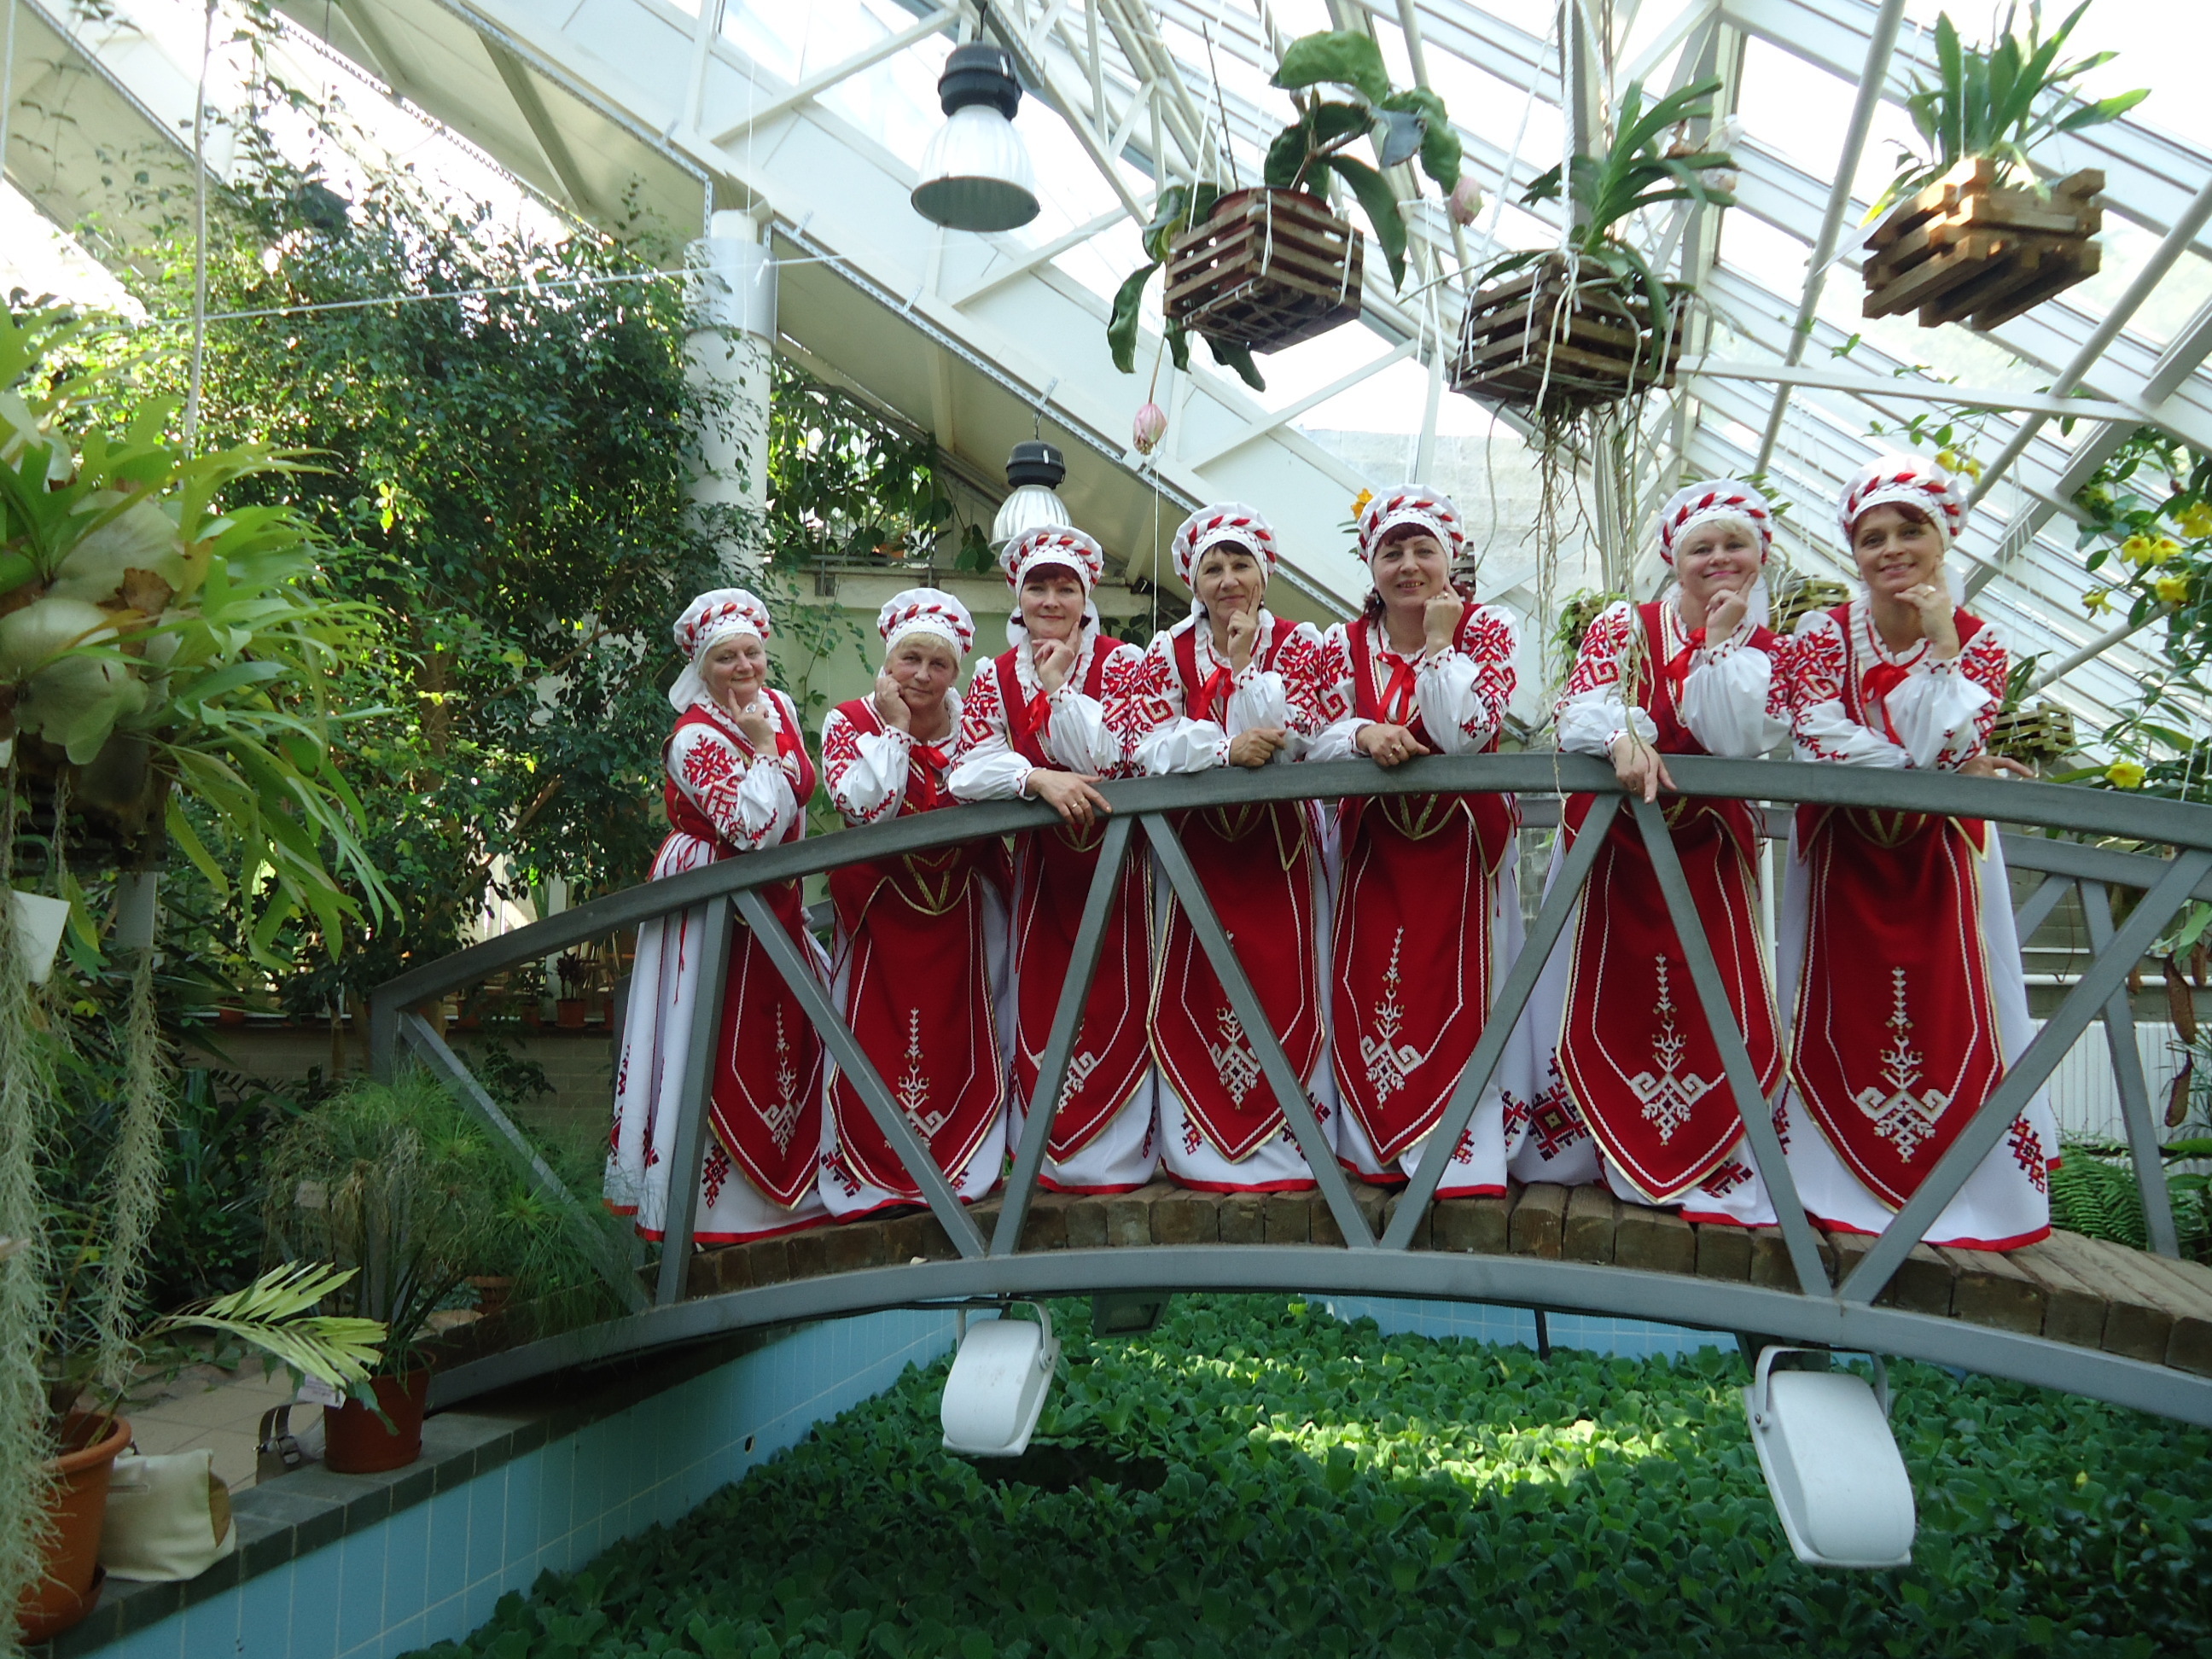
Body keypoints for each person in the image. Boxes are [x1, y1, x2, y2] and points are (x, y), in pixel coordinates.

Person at [1778, 454, 2055, 1250]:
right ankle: (1827, 1185)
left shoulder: (1979, 641)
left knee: (1959, 1007)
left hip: (1944, 862)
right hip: (1841, 859)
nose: (1892, 549)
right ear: (1854, 553)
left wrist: (1940, 647)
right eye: (1873, 538)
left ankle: (1972, 1197)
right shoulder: (1819, 635)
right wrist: (1927, 763)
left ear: (1943, 539)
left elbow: (1957, 741)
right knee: (1836, 1008)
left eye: (1910, 531)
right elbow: (1816, 736)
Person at [1510, 480, 1792, 1225]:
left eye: (1735, 545)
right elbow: (1577, 709)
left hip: (1708, 856)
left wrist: (1722, 642)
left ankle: (1714, 1157)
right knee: (1606, 994)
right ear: (1674, 559)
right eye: (1702, 547)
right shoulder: (1625, 625)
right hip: (1616, 853)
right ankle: (1594, 1148)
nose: (1719, 559)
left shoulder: (1769, 651)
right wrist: (1622, 735)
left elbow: (1737, 738)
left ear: (1760, 558)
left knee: (1713, 998)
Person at [1110, 504, 1336, 1190]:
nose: (1229, 579)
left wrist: (1241, 668)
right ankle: (1202, 1151)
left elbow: (1299, 734)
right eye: (1214, 567)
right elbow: (1142, 746)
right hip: (1196, 854)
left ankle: (1295, 1146)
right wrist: (1221, 748)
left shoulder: (1300, 643)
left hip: (1282, 851)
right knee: (1201, 983)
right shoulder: (1166, 652)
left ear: (1264, 577)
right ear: (1194, 582)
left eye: (1241, 564)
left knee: (1287, 979)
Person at [1307, 486, 1523, 1196]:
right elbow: (1310, 736)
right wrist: (1364, 733)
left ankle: (1460, 1158)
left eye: (1422, 550)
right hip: (1374, 857)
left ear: (1448, 559)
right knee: (1370, 988)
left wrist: (1437, 645)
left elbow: (1466, 731)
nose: (1407, 566)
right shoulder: (1340, 645)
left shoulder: (1489, 631)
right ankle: (1373, 1148)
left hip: (1463, 856)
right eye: (1391, 552)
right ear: (1371, 566)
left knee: (1463, 993)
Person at [607, 588, 830, 1244]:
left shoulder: (778, 706)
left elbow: (800, 795)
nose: (743, 667)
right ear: (701, 667)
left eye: (751, 652)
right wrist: (762, 747)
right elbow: (751, 829)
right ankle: (711, 1214)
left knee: (790, 1032)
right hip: (711, 904)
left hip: (775, 899)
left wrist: (767, 740)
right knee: (707, 1033)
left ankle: (795, 1195)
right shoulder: (693, 738)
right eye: (725, 657)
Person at [947, 524, 1158, 1191]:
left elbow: (1113, 754)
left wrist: (1058, 686)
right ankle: (1050, 1157)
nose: (1050, 600)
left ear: (1085, 597)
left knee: (1123, 994)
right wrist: (1034, 777)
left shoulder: (1122, 662)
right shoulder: (993, 674)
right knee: (1046, 1000)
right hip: (1044, 875)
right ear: (1019, 596)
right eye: (1037, 587)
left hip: (1121, 869)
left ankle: (1125, 1159)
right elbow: (965, 771)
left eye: (1065, 587)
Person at [818, 589, 1012, 1219]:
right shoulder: (848, 722)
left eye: (939, 664)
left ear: (956, 672)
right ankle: (872, 1177)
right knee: (872, 1038)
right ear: (887, 661)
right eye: (910, 659)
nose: (923, 675)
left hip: (962, 915)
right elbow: (865, 809)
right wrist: (895, 732)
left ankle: (961, 1171)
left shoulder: (978, 727)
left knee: (961, 1040)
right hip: (880, 919)